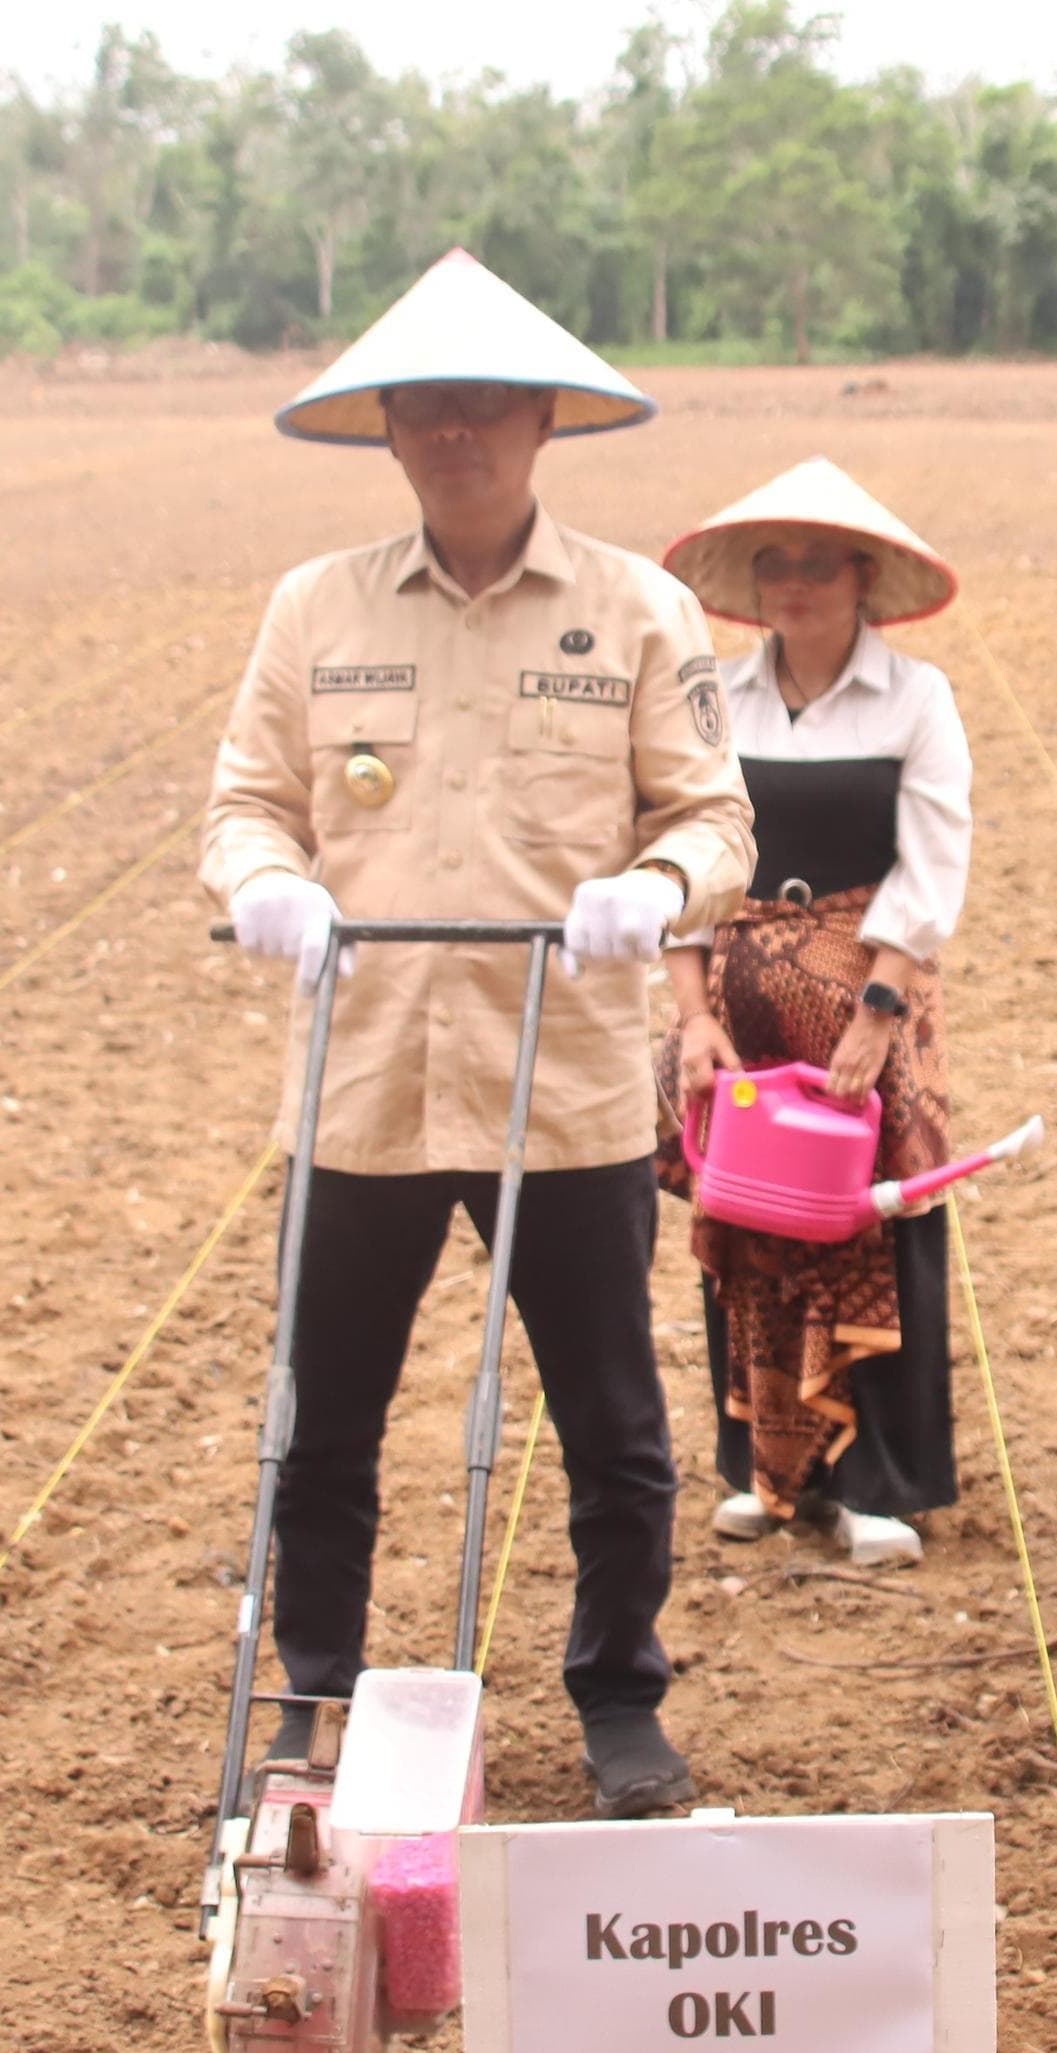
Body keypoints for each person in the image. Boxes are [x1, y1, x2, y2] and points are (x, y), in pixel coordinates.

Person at [201, 249, 755, 1815]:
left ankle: (617, 1695)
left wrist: (656, 887)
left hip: (560, 1087)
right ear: (385, 427)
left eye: (489, 403)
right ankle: (311, 1689)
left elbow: (714, 816)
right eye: (427, 405)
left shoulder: (637, 608)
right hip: (362, 1080)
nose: (458, 429)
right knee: (323, 1420)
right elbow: (247, 799)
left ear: (543, 423)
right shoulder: (317, 608)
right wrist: (267, 881)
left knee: (615, 1424)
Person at [655, 457, 974, 1571]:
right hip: (738, 1017)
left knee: (870, 1224)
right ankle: (763, 1470)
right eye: (774, 564)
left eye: (818, 563)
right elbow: (685, 860)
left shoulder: (914, 699)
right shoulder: (715, 702)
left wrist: (878, 1007)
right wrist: (693, 1015)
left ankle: (878, 1480)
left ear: (863, 577)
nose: (794, 583)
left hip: (868, 1008)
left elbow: (931, 863)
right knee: (746, 1227)